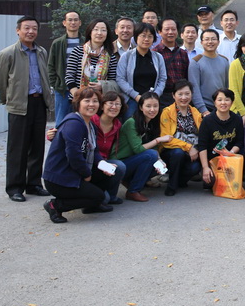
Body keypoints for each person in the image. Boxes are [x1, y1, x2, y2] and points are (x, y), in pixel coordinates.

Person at [0, 15, 53, 202]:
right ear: (18, 30)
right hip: (19, 104)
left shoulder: (41, 51)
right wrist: (8, 99)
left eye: (34, 28)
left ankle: (34, 184)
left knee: (37, 146)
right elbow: (0, 81)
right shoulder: (7, 54)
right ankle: (14, 187)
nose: (30, 32)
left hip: (38, 103)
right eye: (26, 28)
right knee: (17, 148)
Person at [41, 88, 113, 223]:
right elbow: (73, 155)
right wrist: (86, 174)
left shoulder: (91, 125)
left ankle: (91, 206)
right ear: (78, 103)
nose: (91, 104)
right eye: (87, 101)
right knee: (97, 196)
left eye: (95, 101)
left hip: (73, 172)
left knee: (106, 172)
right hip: (60, 178)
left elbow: (95, 151)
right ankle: (55, 205)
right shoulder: (74, 123)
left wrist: (104, 165)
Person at [114, 91, 166, 202]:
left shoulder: (152, 122)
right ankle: (133, 191)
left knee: (161, 165)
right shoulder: (132, 122)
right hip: (120, 162)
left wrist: (160, 161)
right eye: (148, 106)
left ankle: (131, 181)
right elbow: (138, 149)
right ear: (141, 107)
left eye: (155, 106)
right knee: (151, 155)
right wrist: (158, 140)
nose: (152, 109)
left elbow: (154, 148)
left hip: (133, 160)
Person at [159, 79, 203, 196]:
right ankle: (172, 185)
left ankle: (179, 181)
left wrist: (196, 148)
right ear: (173, 95)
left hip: (192, 152)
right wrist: (188, 147)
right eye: (180, 94)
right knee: (178, 153)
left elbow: (201, 135)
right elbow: (166, 138)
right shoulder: (167, 112)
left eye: (187, 94)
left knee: (195, 167)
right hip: (172, 151)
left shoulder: (196, 112)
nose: (184, 97)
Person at [116, 23, 167, 120]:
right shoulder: (127, 56)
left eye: (150, 36)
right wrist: (136, 96)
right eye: (143, 36)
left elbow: (162, 79)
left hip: (153, 101)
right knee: (131, 126)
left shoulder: (158, 57)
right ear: (136, 37)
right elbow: (120, 79)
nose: (146, 39)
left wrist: (155, 95)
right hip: (132, 100)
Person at [197, 88, 245, 189]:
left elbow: (240, 141)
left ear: (232, 102)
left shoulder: (237, 119)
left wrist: (230, 153)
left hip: (231, 156)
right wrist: (205, 167)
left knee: (231, 184)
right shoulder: (207, 121)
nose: (223, 103)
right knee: (211, 183)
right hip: (213, 158)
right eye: (219, 100)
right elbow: (202, 146)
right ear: (214, 103)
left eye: (227, 99)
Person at [90, 90, 129, 205]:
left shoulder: (117, 125)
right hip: (90, 163)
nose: (114, 107)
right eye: (110, 103)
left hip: (105, 163)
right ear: (102, 105)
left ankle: (112, 195)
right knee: (102, 200)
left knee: (120, 166)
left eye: (117, 104)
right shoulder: (92, 120)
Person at [65, 19, 119, 100]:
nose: (99, 33)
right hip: (77, 99)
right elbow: (69, 77)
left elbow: (113, 81)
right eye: (96, 29)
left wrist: (102, 85)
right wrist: (79, 96)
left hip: (100, 101)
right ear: (90, 32)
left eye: (103, 30)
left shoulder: (111, 56)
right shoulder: (78, 51)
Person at [48, 11, 83, 125]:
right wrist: (56, 84)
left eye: (75, 20)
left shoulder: (86, 42)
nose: (73, 22)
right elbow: (51, 66)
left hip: (81, 88)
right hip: (63, 89)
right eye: (70, 20)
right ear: (64, 23)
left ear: (80, 23)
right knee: (61, 121)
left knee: (81, 119)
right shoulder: (57, 43)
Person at [189, 29, 230, 117]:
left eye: (213, 39)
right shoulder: (195, 62)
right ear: (201, 42)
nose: (210, 42)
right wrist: (203, 110)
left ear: (218, 42)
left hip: (222, 106)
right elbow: (194, 88)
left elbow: (227, 86)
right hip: (205, 108)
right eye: (207, 39)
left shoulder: (224, 60)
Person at [153, 18, 189, 107]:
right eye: (167, 29)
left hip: (180, 97)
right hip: (162, 97)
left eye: (173, 29)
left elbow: (186, 75)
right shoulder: (155, 53)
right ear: (159, 32)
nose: (170, 32)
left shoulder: (183, 53)